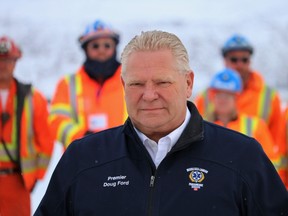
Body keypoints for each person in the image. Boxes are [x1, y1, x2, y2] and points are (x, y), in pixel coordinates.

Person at [34, 30, 287, 215]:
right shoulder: (83, 158)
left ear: (188, 83)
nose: (149, 94)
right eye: (136, 84)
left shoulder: (242, 156)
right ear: (123, 86)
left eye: (162, 82)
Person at [195, 34, 286, 182]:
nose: (239, 64)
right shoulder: (204, 97)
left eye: (244, 59)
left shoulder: (269, 97)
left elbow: (277, 145)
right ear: (225, 61)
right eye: (234, 59)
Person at [49, 19, 127, 149]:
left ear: (115, 48)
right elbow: (56, 122)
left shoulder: (131, 81)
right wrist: (82, 139)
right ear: (85, 49)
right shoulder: (67, 85)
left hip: (125, 161)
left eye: (107, 45)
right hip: (81, 161)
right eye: (95, 46)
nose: (101, 50)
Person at [0, 36, 53, 216]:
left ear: (16, 61)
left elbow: (46, 140)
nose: (3, 65)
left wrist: (36, 176)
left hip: (18, 183)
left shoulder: (33, 98)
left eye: (8, 60)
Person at [207, 68, 279, 166]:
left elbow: (271, 163)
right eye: (219, 95)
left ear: (237, 98)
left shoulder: (257, 126)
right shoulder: (201, 127)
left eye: (228, 95)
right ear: (212, 97)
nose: (222, 100)